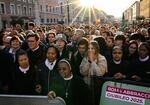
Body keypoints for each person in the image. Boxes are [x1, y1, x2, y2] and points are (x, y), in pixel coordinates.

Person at [80, 40, 108, 105]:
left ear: (96, 49)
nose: (90, 50)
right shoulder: (85, 58)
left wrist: (92, 62)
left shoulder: (102, 59)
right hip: (86, 85)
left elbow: (100, 74)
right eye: (89, 48)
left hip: (97, 87)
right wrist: (88, 62)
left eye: (92, 48)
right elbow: (82, 72)